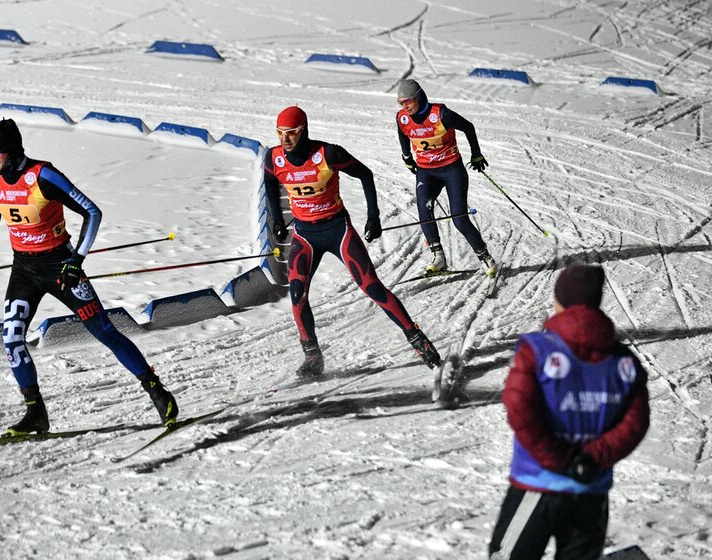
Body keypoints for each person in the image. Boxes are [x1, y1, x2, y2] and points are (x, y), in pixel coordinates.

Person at [0, 118, 178, 435]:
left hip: (60, 267)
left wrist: (76, 260)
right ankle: (35, 413)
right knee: (11, 339)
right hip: (24, 270)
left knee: (104, 330)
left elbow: (92, 211)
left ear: (10, 151)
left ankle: (157, 391)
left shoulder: (43, 175)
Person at [264, 106, 441, 376]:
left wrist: (373, 217)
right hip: (304, 234)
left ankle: (418, 339)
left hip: (337, 230)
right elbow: (269, 182)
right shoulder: (274, 158)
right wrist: (277, 220)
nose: (284, 139)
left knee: (372, 287)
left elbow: (365, 174)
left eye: (291, 133)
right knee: (297, 295)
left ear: (304, 131)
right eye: (280, 133)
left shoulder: (328, 154)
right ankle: (312, 357)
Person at [489, 264, 650, 560]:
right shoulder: (624, 362)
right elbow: (635, 423)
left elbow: (520, 409)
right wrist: (591, 459)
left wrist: (558, 458)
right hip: (589, 488)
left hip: (538, 483)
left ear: (559, 301)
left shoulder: (536, 351)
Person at [395, 78, 498, 277]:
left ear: (418, 97)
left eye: (408, 101)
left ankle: (485, 257)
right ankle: (438, 257)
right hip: (426, 172)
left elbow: (468, 127)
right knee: (424, 209)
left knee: (459, 219)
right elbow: (402, 135)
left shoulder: (441, 114)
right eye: (401, 103)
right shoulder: (402, 118)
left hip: (452, 170)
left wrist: (476, 154)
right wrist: (407, 157)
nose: (405, 107)